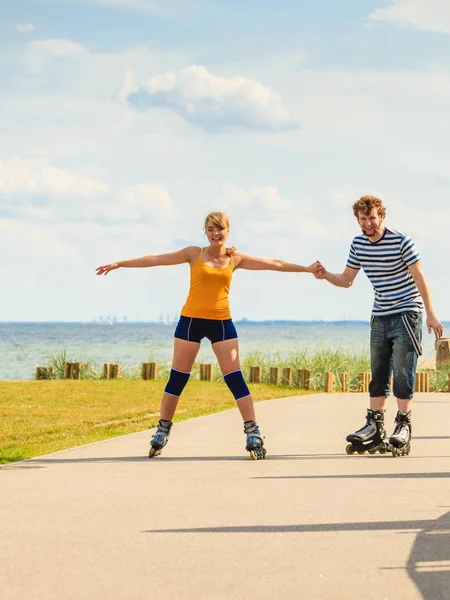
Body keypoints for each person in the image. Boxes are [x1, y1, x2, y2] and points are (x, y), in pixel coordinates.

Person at [96, 211, 321, 460]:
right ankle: (162, 429)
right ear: (205, 231)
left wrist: (306, 269)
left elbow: (274, 264)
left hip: (222, 323)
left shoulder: (234, 258)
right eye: (211, 229)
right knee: (177, 379)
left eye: (220, 229)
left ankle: (252, 432)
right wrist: (120, 263)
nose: (216, 234)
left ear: (228, 231)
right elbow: (157, 259)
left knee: (235, 379)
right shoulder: (194, 254)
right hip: (190, 322)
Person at [315, 195, 443, 457]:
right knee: (379, 372)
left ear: (381, 216)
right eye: (363, 219)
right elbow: (348, 279)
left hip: (407, 313)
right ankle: (374, 426)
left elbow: (420, 276)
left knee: (403, 370)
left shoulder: (401, 240)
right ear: (358, 220)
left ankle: (403, 425)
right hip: (380, 315)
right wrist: (326, 275)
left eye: (372, 217)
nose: (368, 223)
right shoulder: (358, 243)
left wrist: (431, 313)